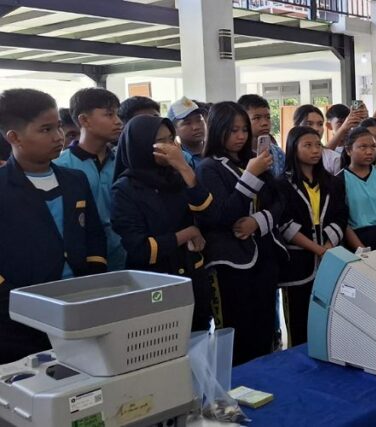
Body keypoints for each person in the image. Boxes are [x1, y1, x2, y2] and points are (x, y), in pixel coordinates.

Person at [0, 88, 106, 364]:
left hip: (78, 306)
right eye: (45, 130)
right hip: (19, 316)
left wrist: (94, 279)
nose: (58, 137)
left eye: (58, 127)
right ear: (14, 137)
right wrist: (10, 296)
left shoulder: (75, 181)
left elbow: (93, 235)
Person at [196, 102, 287, 365]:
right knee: (237, 333)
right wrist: (250, 176)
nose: (240, 136)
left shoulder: (254, 159)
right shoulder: (208, 168)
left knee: (264, 328)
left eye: (244, 130)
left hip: (264, 256)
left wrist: (258, 221)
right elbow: (222, 215)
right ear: (217, 131)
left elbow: (280, 199)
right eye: (233, 130)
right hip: (230, 264)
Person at [111, 115, 213, 331]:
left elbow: (208, 212)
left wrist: (184, 168)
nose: (169, 147)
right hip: (155, 284)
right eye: (161, 141)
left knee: (199, 341)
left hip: (191, 274)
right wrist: (187, 233)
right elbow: (140, 249)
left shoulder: (178, 176)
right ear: (141, 145)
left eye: (170, 139)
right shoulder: (125, 189)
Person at [277, 126, 347, 346]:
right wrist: (317, 249)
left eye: (318, 145)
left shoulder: (332, 182)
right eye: (307, 145)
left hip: (328, 258)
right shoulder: (282, 184)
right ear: (293, 149)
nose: (315, 150)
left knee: (328, 317)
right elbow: (284, 223)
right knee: (298, 323)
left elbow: (340, 216)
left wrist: (327, 245)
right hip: (297, 263)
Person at [55, 87, 125, 271]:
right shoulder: (61, 166)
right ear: (84, 120)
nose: (118, 122)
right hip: (82, 262)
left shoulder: (123, 162)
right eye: (109, 115)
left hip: (126, 257)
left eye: (118, 115)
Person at [339, 127, 376, 251]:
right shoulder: (339, 179)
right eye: (363, 147)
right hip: (357, 240)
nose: (369, 151)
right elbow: (342, 221)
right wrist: (361, 248)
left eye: (373, 147)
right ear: (349, 150)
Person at [237, 94, 286, 176]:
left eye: (268, 117)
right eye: (257, 118)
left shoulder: (278, 153)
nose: (265, 123)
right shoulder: (236, 154)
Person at [292, 104, 342, 175]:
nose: (316, 129)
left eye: (320, 124)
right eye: (309, 124)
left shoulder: (334, 159)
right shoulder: (285, 158)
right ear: (296, 126)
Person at [168, 97, 207, 168]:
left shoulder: (218, 152)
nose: (196, 127)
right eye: (187, 123)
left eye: (199, 120)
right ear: (174, 129)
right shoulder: (176, 160)